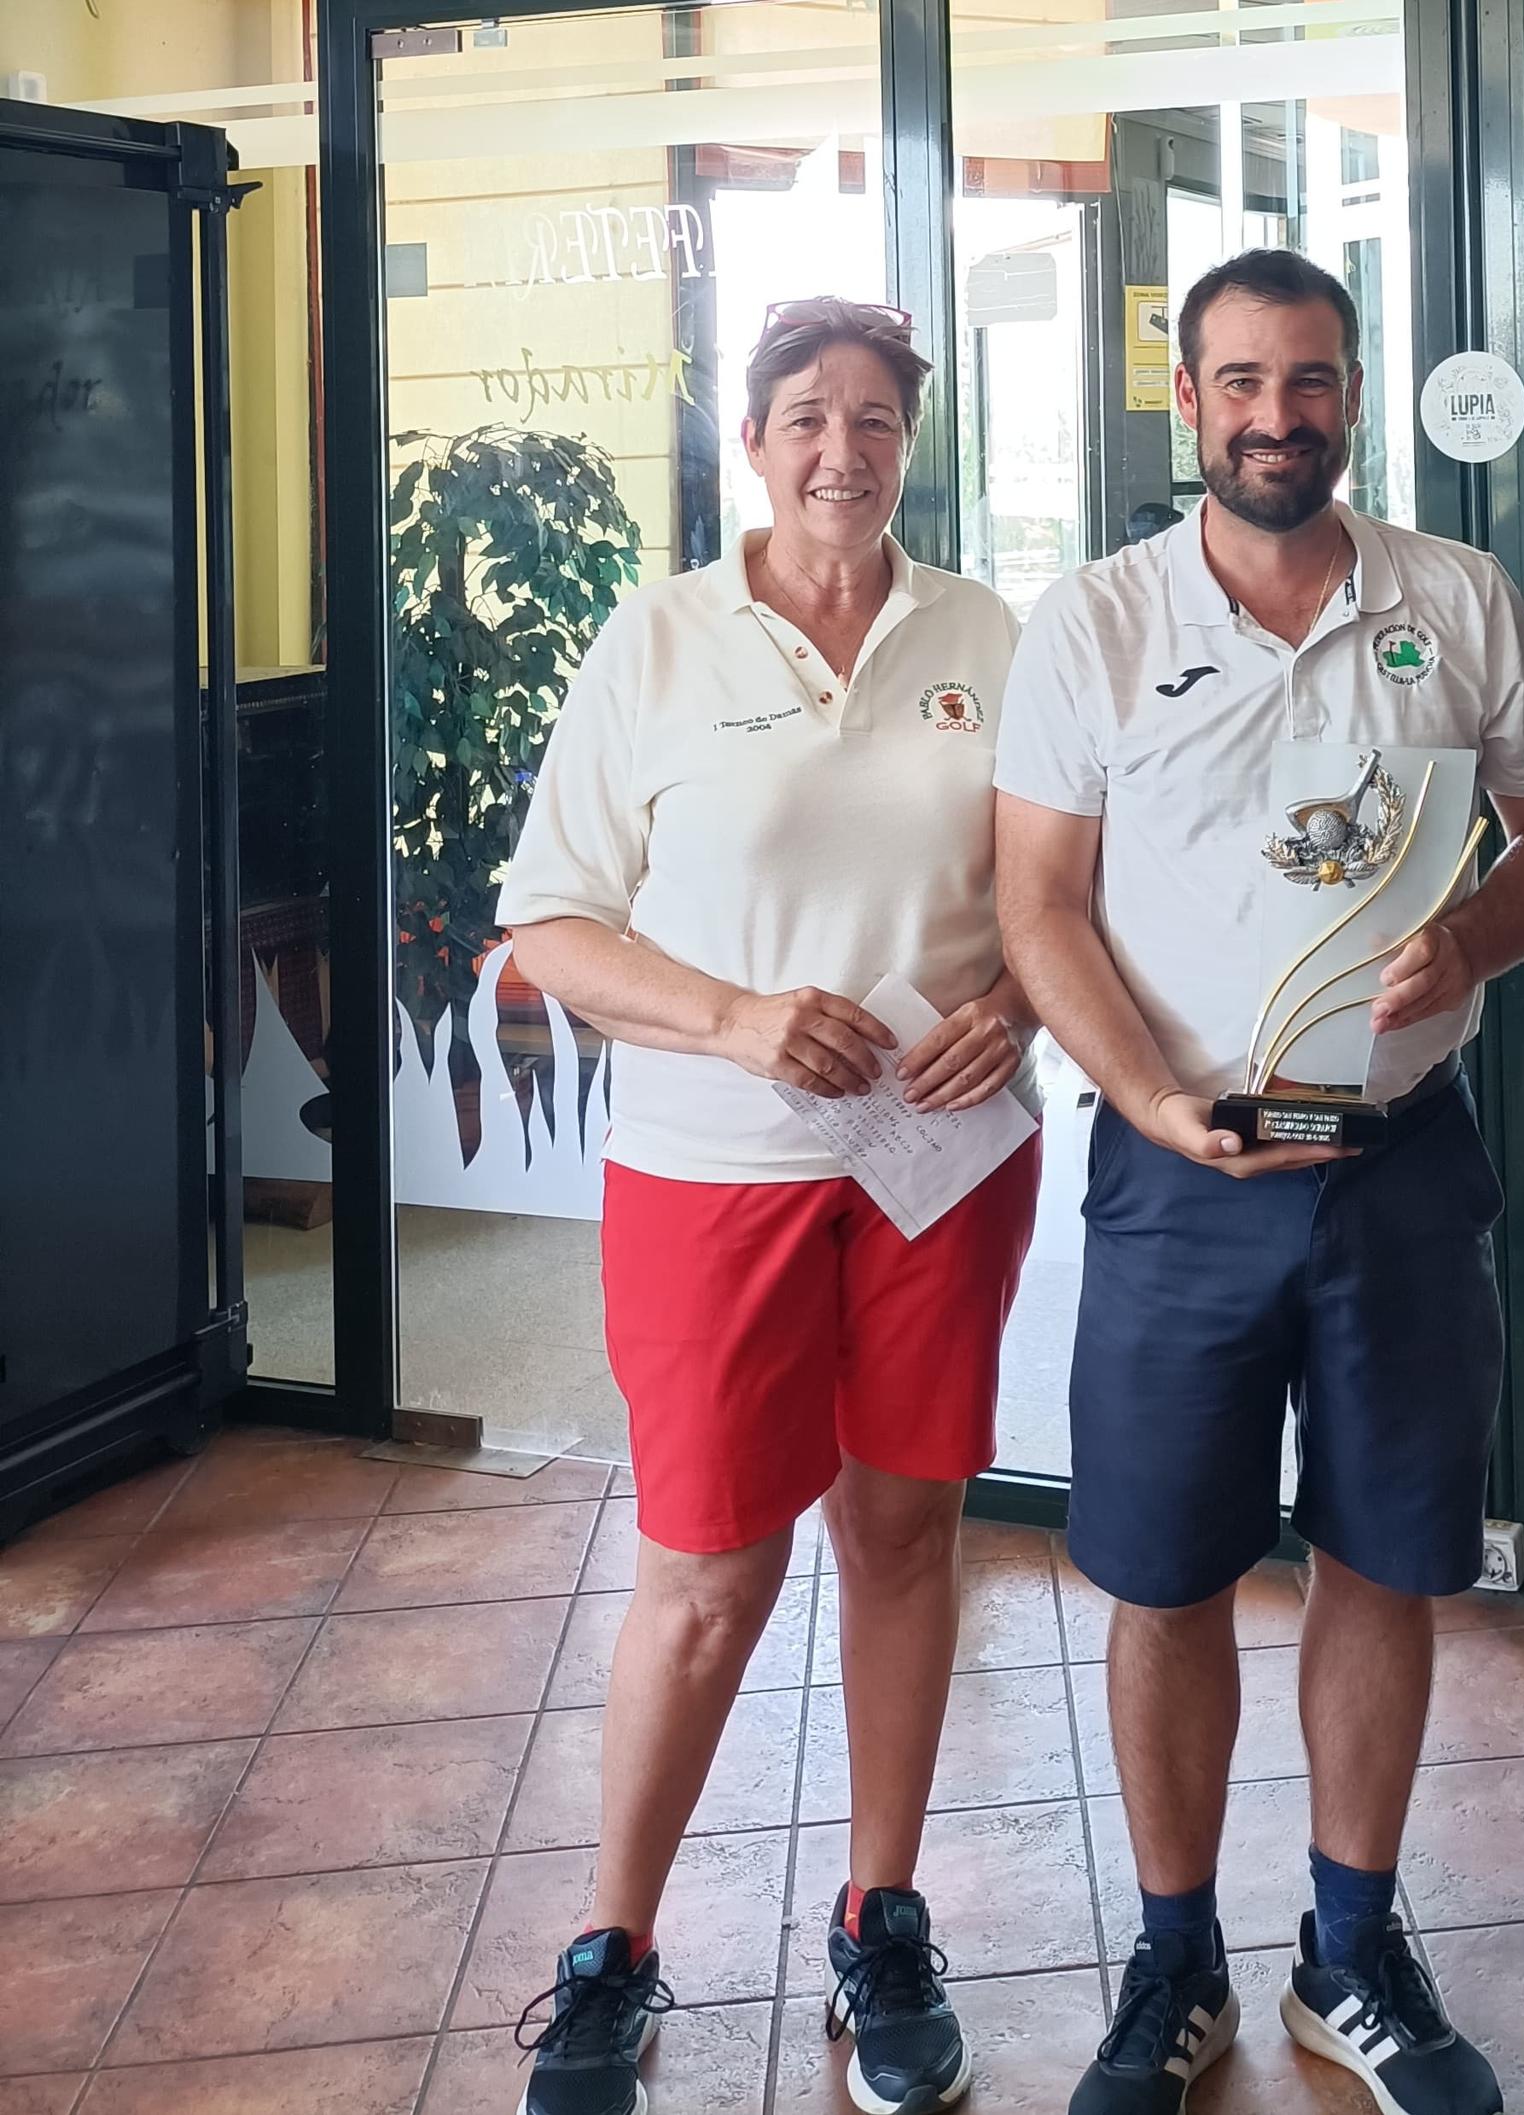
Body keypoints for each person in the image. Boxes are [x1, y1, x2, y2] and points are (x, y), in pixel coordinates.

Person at [995, 249, 1524, 2115]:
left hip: (1400, 1166)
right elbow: (1039, 905)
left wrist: (1472, 940)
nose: (1280, 416)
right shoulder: (1096, 623)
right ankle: (1173, 1959)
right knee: (1165, 1574)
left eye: (1313, 379)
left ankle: (1351, 1949)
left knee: (1384, 1559)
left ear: (1353, 391)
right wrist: (1142, 1095)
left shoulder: (1457, 597)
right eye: (1243, 383)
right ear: (1187, 402)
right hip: (1182, 1171)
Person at [498, 297, 1043, 2115]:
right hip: (713, 1172)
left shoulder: (985, 636)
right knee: (706, 1572)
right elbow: (552, 923)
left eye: (875, 419)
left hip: (937, 1170)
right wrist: (735, 1018)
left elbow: (1059, 893)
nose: (841, 449)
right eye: (807, 415)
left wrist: (1017, 1007)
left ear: (910, 445)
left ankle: (882, 1918)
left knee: (904, 1533)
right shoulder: (656, 639)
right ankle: (613, 1948)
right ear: (752, 443)